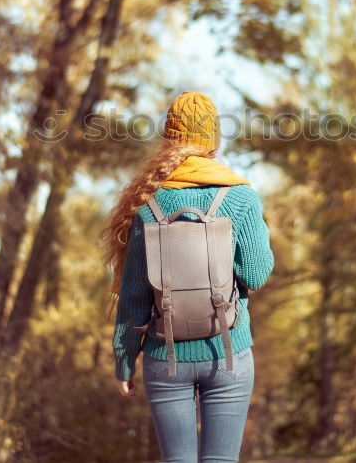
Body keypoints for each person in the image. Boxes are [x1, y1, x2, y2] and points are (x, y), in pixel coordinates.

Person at [101, 91, 274, 463]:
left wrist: (123, 360)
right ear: (213, 139)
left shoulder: (149, 203)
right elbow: (256, 274)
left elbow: (134, 295)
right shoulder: (242, 197)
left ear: (170, 138)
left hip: (166, 357)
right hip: (227, 353)